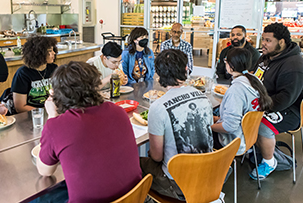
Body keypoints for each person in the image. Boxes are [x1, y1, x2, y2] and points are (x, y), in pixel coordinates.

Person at [35, 61, 142, 203]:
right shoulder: (118, 111)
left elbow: (45, 171)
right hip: (134, 196)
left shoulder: (56, 126)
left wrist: (52, 115)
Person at [140, 49, 213, 200]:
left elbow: (157, 157)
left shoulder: (158, 107)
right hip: (209, 173)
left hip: (178, 185)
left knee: (136, 163)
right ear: (186, 69)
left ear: (158, 74)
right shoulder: (204, 97)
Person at [250, 23, 303, 180]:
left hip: (289, 110)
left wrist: (256, 108)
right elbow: (255, 78)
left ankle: (269, 162)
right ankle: (254, 148)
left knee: (261, 125)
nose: (263, 43)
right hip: (265, 102)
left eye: (268, 40)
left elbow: (285, 99)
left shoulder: (295, 65)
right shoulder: (266, 57)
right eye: (263, 39)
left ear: (281, 42)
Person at [211, 48, 272, 155]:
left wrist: (208, 127)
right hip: (249, 137)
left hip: (233, 142)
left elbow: (229, 127)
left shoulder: (236, 90)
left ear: (230, 66)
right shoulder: (255, 81)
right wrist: (218, 119)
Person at [11, 35, 57, 113]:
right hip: (32, 115)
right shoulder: (23, 74)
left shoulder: (54, 68)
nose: (54, 53)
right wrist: (43, 111)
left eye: (53, 50)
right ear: (39, 53)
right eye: (50, 51)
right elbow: (20, 107)